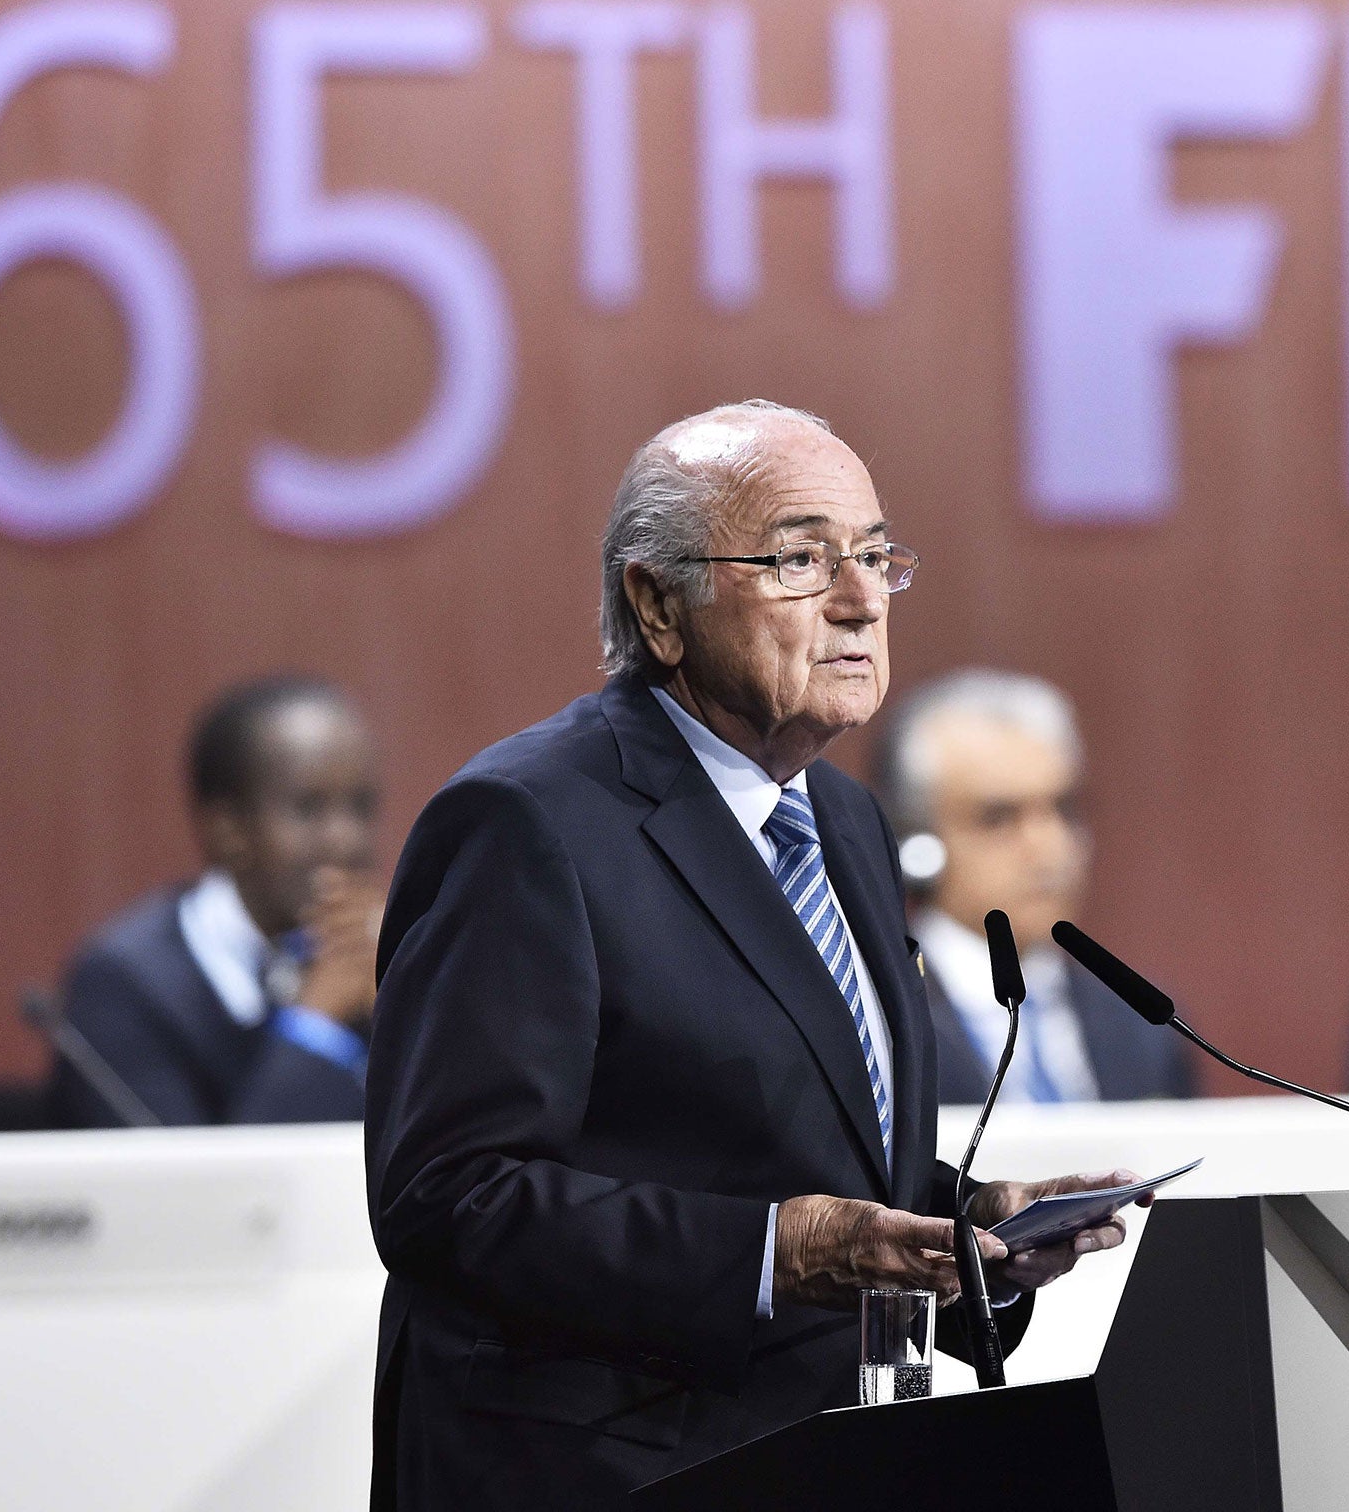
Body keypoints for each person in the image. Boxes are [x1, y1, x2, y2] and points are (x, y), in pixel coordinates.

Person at [364, 401, 1141, 1508]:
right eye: (798, 559)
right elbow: (448, 1198)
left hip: (827, 1453)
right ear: (656, 604)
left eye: (874, 556)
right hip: (606, 1472)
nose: (861, 598)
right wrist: (777, 1255)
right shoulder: (526, 823)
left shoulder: (848, 824)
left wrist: (963, 1228)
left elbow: (789, 1155)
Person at [47, 677, 382, 1127]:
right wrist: (315, 1027)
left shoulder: (379, 961)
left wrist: (408, 1007)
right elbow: (195, 1191)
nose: (346, 840)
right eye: (308, 809)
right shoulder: (124, 985)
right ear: (228, 830)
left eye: (360, 807)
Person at [874, 669, 1190, 1105]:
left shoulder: (1144, 1024)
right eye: (998, 817)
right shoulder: (877, 1021)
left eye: (1064, 809)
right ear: (915, 843)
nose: (1049, 847)